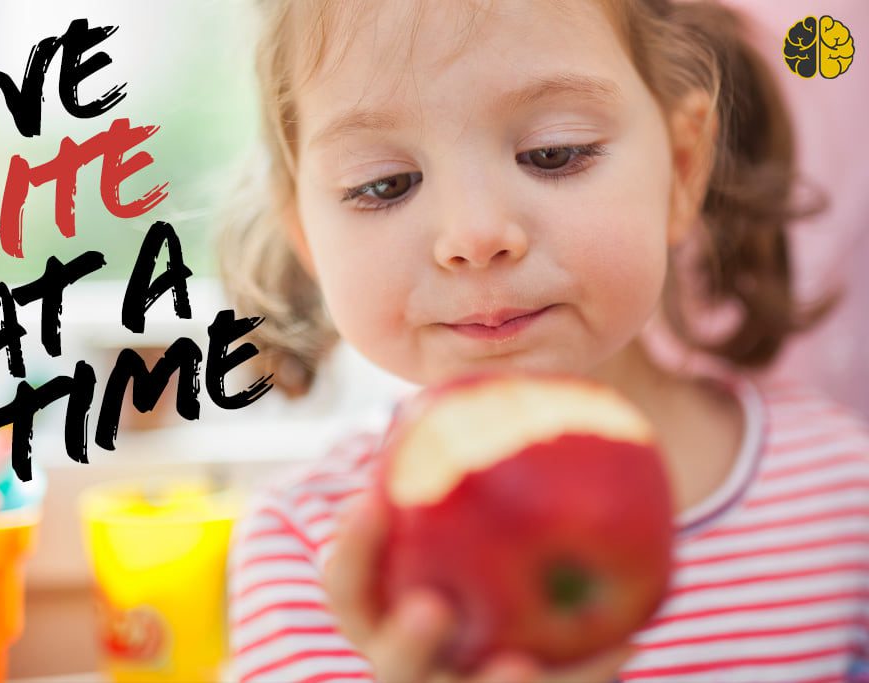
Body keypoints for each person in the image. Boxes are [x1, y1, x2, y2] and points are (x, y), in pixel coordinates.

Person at [218, 0, 869, 681]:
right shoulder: (306, 557)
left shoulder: (843, 498)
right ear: (308, 241)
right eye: (383, 185)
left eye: (552, 153)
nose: (474, 235)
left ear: (681, 169)